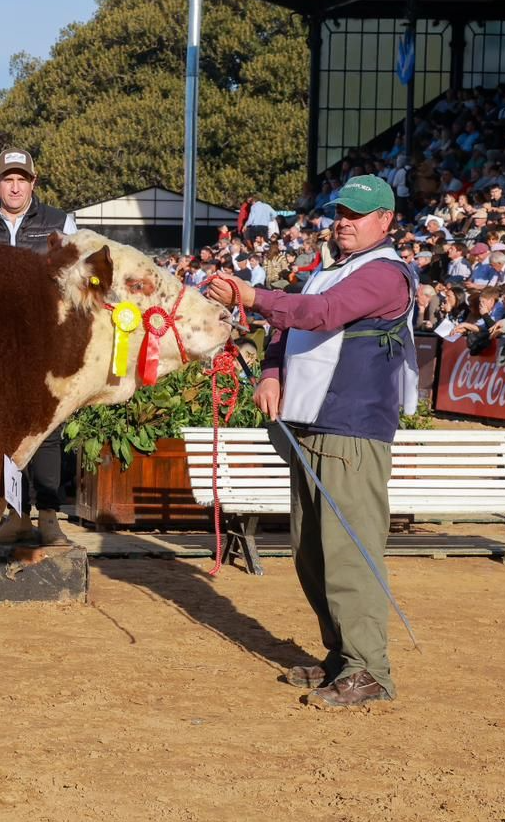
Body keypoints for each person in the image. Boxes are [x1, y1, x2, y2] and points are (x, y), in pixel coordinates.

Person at [206, 175, 417, 709]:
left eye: (356, 213)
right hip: (310, 426)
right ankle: (343, 658)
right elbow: (288, 328)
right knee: (312, 555)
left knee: (349, 554)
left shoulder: (388, 274)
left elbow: (320, 315)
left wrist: (251, 294)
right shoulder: (329, 270)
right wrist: (271, 373)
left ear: (385, 221)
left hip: (353, 428)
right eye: (339, 211)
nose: (343, 220)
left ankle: (370, 669)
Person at [0, 148, 77, 550]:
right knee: (3, 434)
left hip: (44, 343)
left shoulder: (61, 223)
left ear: (33, 183)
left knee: (49, 432)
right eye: (7, 179)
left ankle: (49, 516)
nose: (14, 186)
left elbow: (73, 281)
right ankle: (15, 514)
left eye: (22, 179)